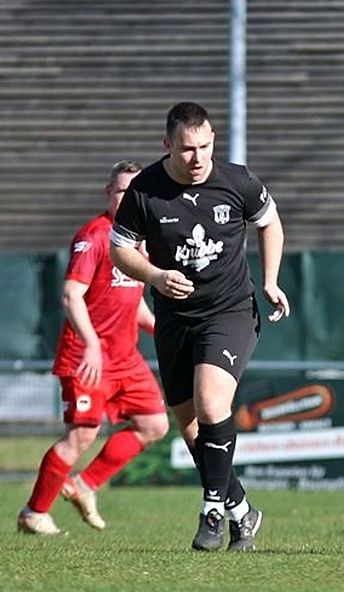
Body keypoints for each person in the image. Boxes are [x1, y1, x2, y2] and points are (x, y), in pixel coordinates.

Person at [110, 102, 290, 552]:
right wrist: (153, 276)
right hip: (175, 319)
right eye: (188, 149)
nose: (198, 158)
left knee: (213, 404)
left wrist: (269, 280)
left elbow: (270, 223)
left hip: (229, 311)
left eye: (206, 146)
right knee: (191, 429)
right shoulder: (145, 190)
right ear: (167, 144)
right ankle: (242, 511)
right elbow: (120, 249)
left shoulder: (237, 181)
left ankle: (212, 511)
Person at [17, 161, 170, 536]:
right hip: (87, 358)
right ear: (109, 192)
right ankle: (34, 513)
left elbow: (129, 299)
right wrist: (90, 346)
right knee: (82, 435)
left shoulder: (139, 240)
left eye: (134, 192)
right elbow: (72, 295)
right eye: (120, 191)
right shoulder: (95, 236)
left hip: (124, 358)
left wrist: (162, 329)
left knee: (155, 424)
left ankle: (83, 486)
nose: (127, 197)